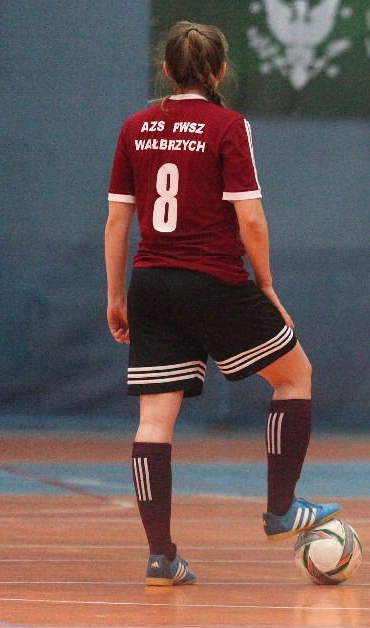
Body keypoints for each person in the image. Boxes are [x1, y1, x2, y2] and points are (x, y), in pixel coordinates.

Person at [104, 21, 339, 586]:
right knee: (295, 376)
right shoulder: (228, 125)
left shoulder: (135, 127)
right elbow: (250, 218)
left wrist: (116, 296)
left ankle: (161, 555)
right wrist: (266, 285)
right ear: (220, 72)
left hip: (151, 282)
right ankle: (281, 509)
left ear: (167, 70)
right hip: (212, 280)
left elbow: (117, 220)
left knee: (153, 421)